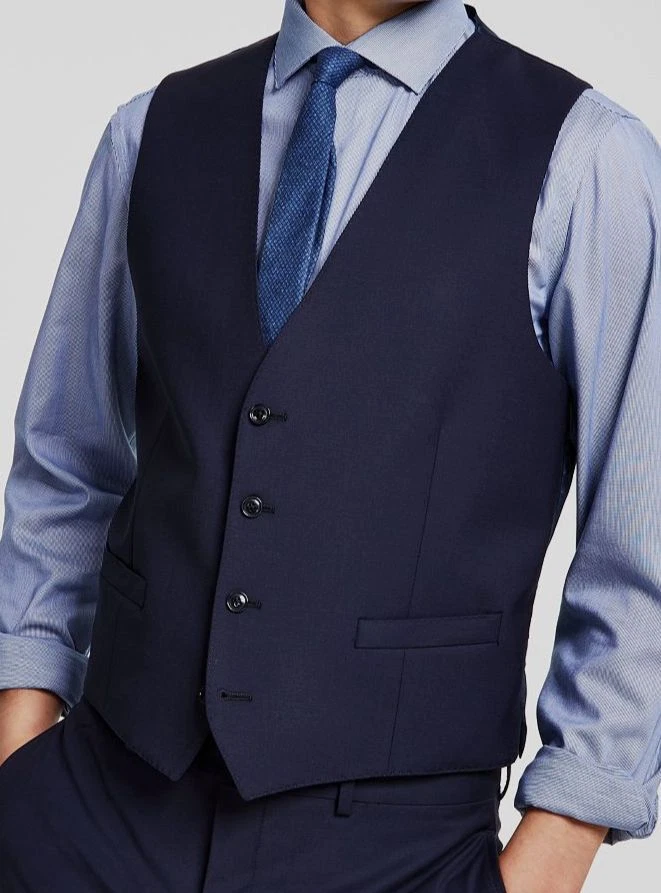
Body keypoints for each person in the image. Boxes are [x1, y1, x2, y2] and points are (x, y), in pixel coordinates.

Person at [0, 0, 659, 890]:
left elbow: (641, 548)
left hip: (397, 851)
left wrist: (555, 845)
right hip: (96, 814)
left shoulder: (587, 161)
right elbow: (66, 461)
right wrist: (21, 747)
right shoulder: (150, 131)